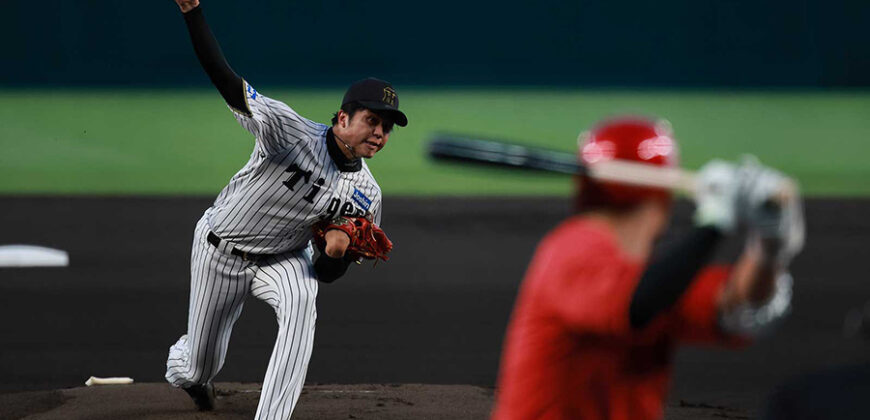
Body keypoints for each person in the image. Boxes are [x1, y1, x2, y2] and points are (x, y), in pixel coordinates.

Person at [165, 1, 408, 418]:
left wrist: (339, 252)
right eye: (372, 121)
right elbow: (226, 80)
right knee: (200, 363)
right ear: (342, 118)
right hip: (219, 249)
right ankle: (190, 376)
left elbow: (329, 273)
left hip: (283, 259)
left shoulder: (368, 194)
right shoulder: (287, 131)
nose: (380, 134)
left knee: (302, 302)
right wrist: (193, 12)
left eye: (387, 127)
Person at [491, 117, 803, 420]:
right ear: (663, 198)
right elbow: (638, 304)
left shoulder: (655, 277)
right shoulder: (571, 250)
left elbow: (737, 308)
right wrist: (714, 222)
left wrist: (768, 249)